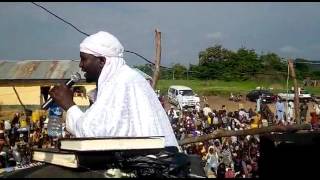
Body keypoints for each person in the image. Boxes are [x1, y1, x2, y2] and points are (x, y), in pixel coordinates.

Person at [49, 31, 178, 148]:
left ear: (102, 61)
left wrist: (69, 105)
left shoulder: (119, 83)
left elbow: (94, 134)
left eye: (84, 59)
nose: (80, 65)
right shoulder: (123, 79)